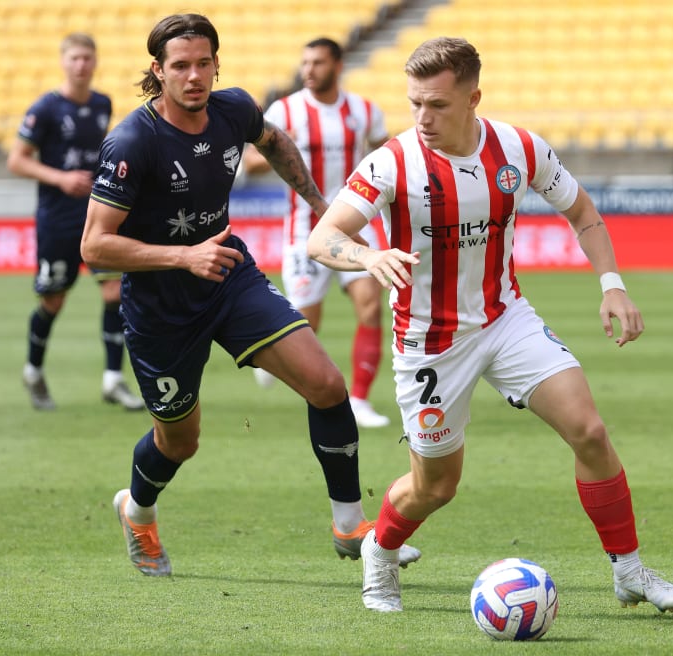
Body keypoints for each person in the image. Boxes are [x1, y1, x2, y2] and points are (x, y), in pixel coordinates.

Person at [307, 36, 673, 613]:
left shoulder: (518, 148)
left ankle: (630, 572)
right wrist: (367, 256)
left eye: (437, 104)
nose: (423, 117)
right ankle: (380, 552)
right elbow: (323, 237)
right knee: (436, 487)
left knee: (588, 431)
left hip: (504, 317)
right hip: (429, 342)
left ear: (473, 98)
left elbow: (582, 212)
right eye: (415, 103)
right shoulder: (393, 161)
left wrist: (612, 284)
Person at [79, 13, 419, 577]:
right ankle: (137, 511)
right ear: (158, 72)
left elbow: (275, 140)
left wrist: (319, 207)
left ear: (217, 63)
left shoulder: (233, 107)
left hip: (230, 277)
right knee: (179, 441)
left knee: (327, 385)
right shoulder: (133, 140)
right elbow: (95, 245)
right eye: (180, 66)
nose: (194, 76)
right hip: (161, 308)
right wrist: (183, 256)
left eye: (203, 63)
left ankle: (349, 524)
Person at [242, 38, 391, 429]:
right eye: (305, 62)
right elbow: (256, 158)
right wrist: (265, 160)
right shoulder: (285, 110)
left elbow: (384, 154)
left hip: (355, 226)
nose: (308, 69)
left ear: (337, 65)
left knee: (371, 305)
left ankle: (358, 399)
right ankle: (274, 359)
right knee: (306, 323)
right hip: (304, 230)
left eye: (318, 62)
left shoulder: (364, 111)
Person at [7, 32, 143, 412]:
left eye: (87, 58)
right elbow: (16, 160)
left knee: (115, 292)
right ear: (63, 62)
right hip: (57, 219)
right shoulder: (46, 109)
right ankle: (33, 370)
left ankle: (113, 379)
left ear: (95, 62)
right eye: (75, 58)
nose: (81, 65)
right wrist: (60, 178)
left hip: (97, 214)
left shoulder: (103, 103)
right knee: (53, 300)